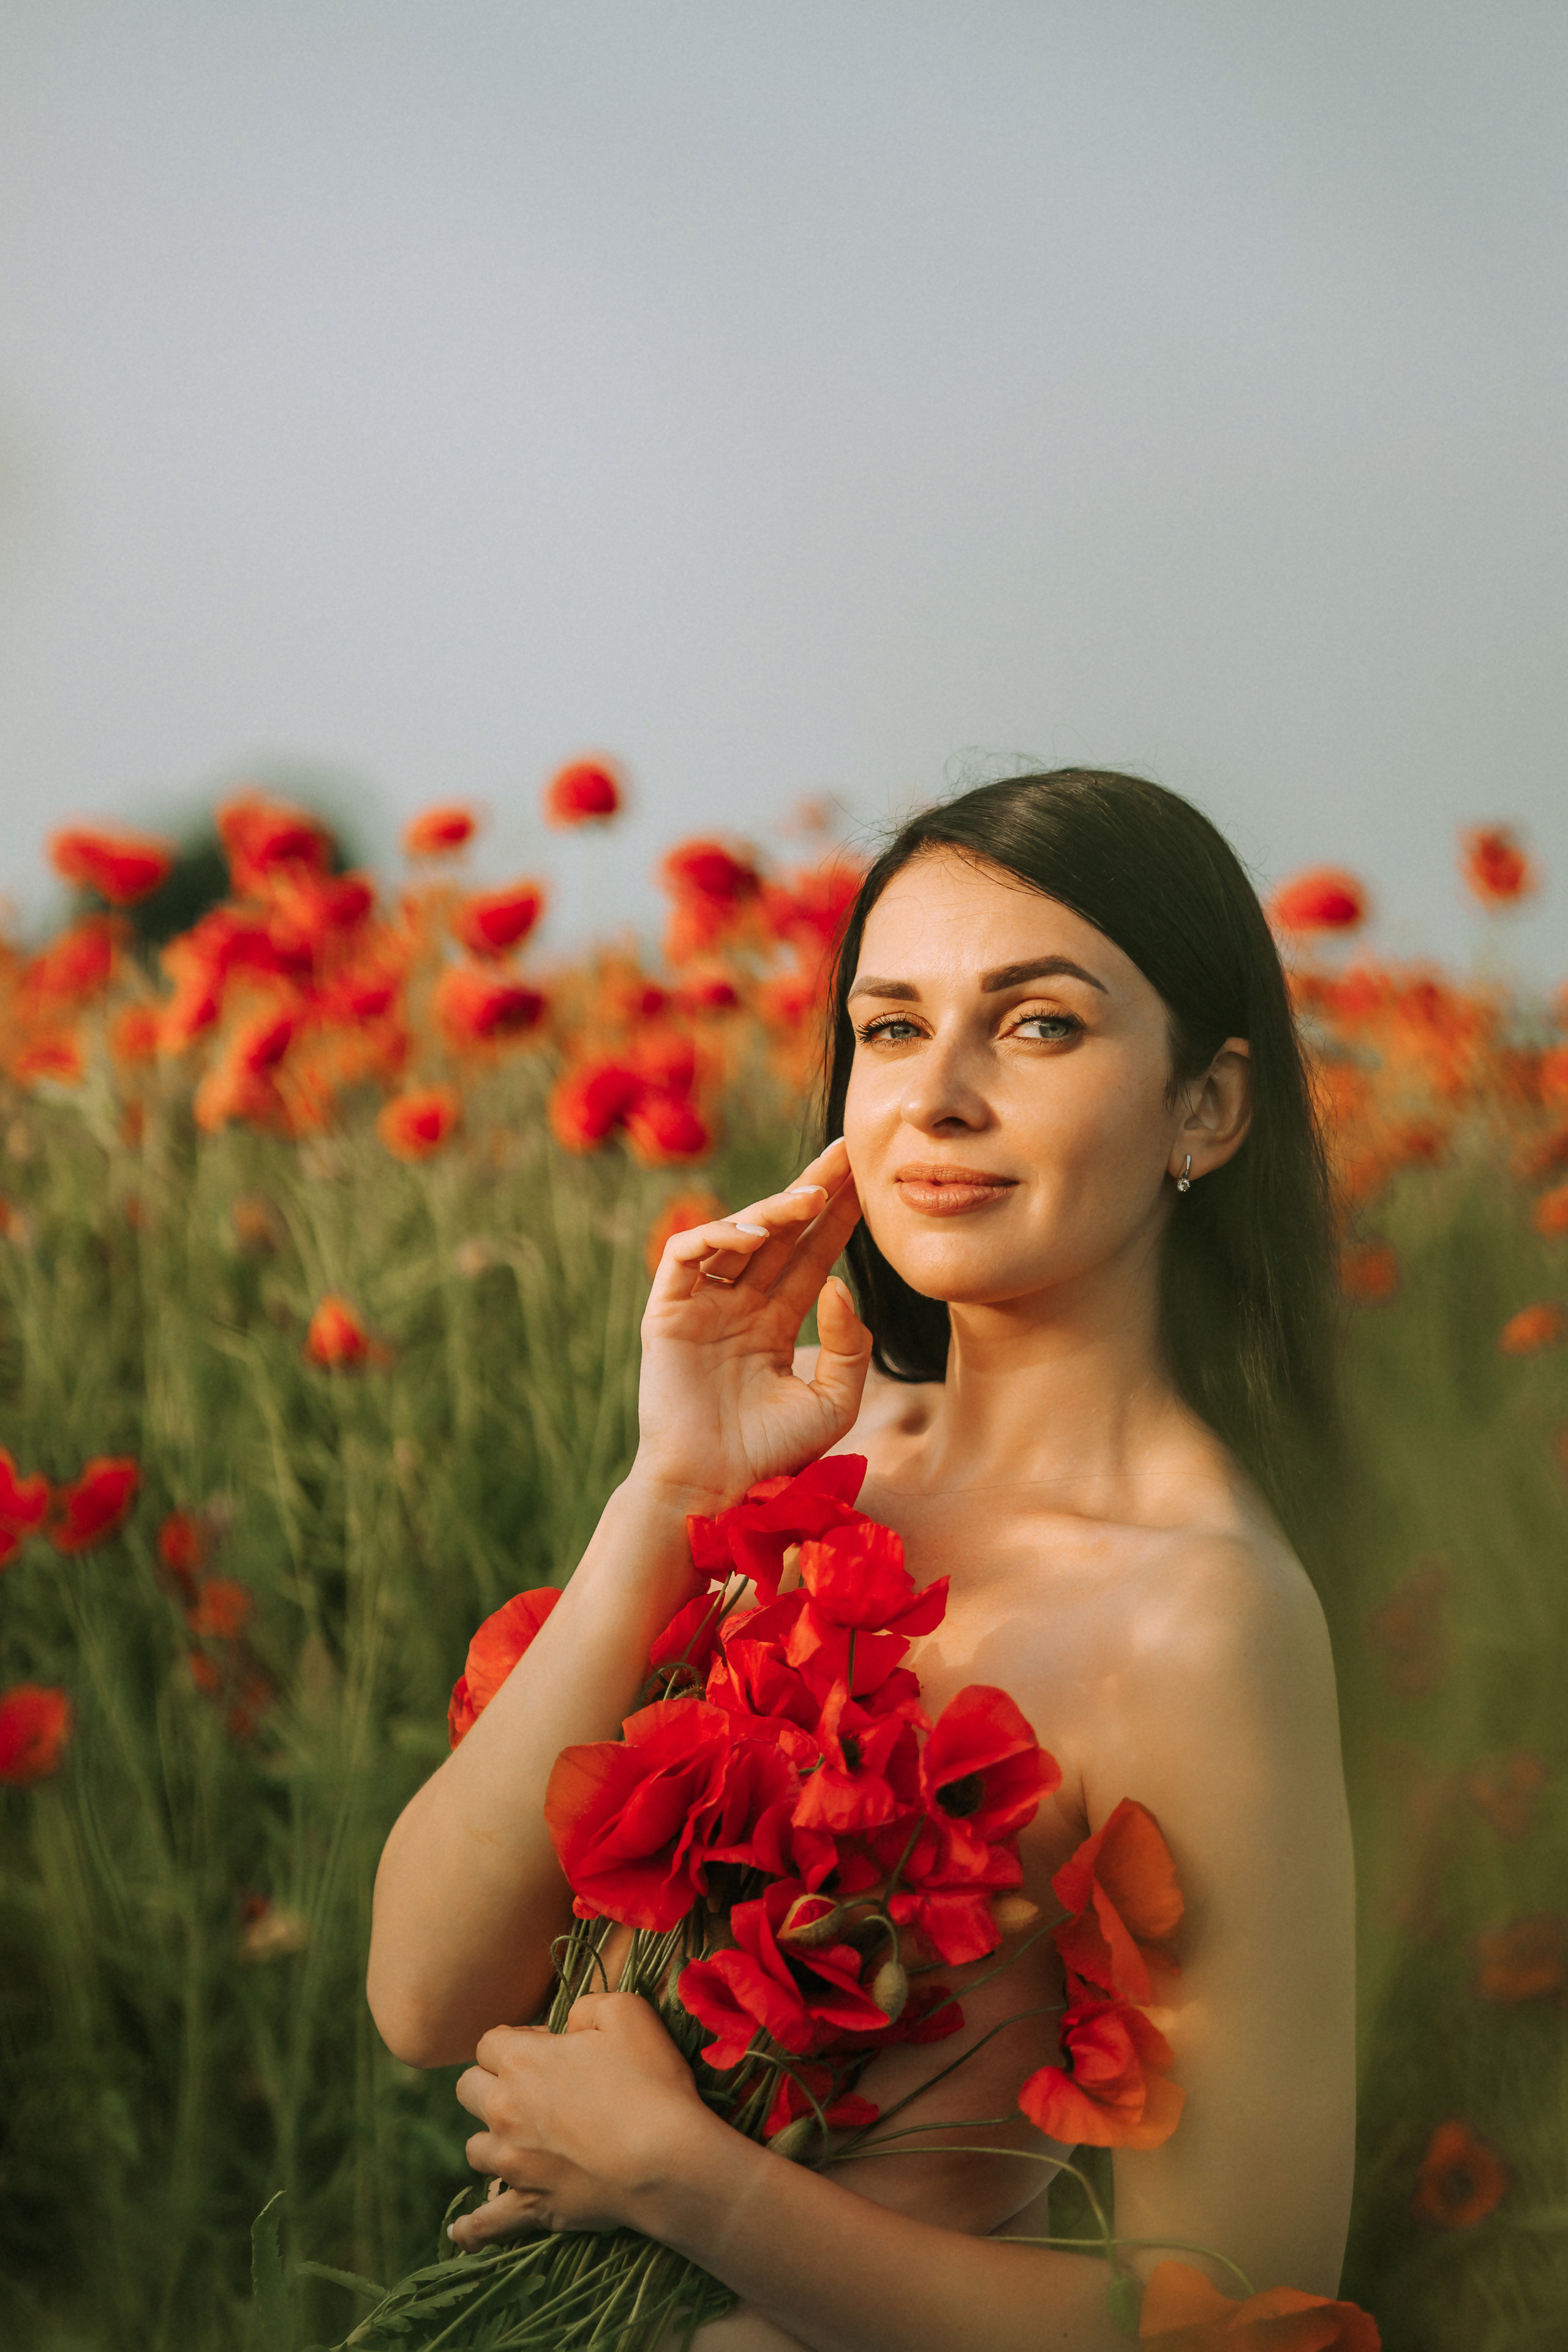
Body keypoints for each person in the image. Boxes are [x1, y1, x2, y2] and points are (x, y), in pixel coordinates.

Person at [367, 769, 1357, 2351]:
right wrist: (667, 1485)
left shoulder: (1202, 1616)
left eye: (1037, 1026)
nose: (937, 1098)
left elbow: (1236, 2311)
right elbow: (424, 1994)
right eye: (891, 1029)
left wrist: (685, 2180)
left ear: (1208, 1107)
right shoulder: (802, 1464)